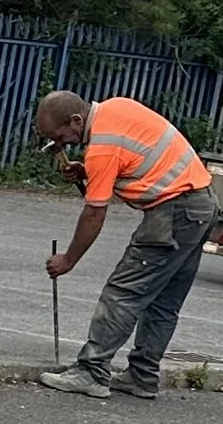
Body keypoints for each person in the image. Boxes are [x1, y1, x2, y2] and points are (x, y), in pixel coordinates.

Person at [34, 89, 218, 399]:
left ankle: (92, 372)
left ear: (77, 119)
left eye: (61, 136)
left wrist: (69, 259)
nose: (61, 144)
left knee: (123, 292)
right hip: (201, 205)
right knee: (163, 301)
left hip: (174, 213)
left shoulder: (102, 147)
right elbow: (137, 161)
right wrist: (88, 171)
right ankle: (142, 376)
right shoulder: (116, 108)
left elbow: (94, 213)